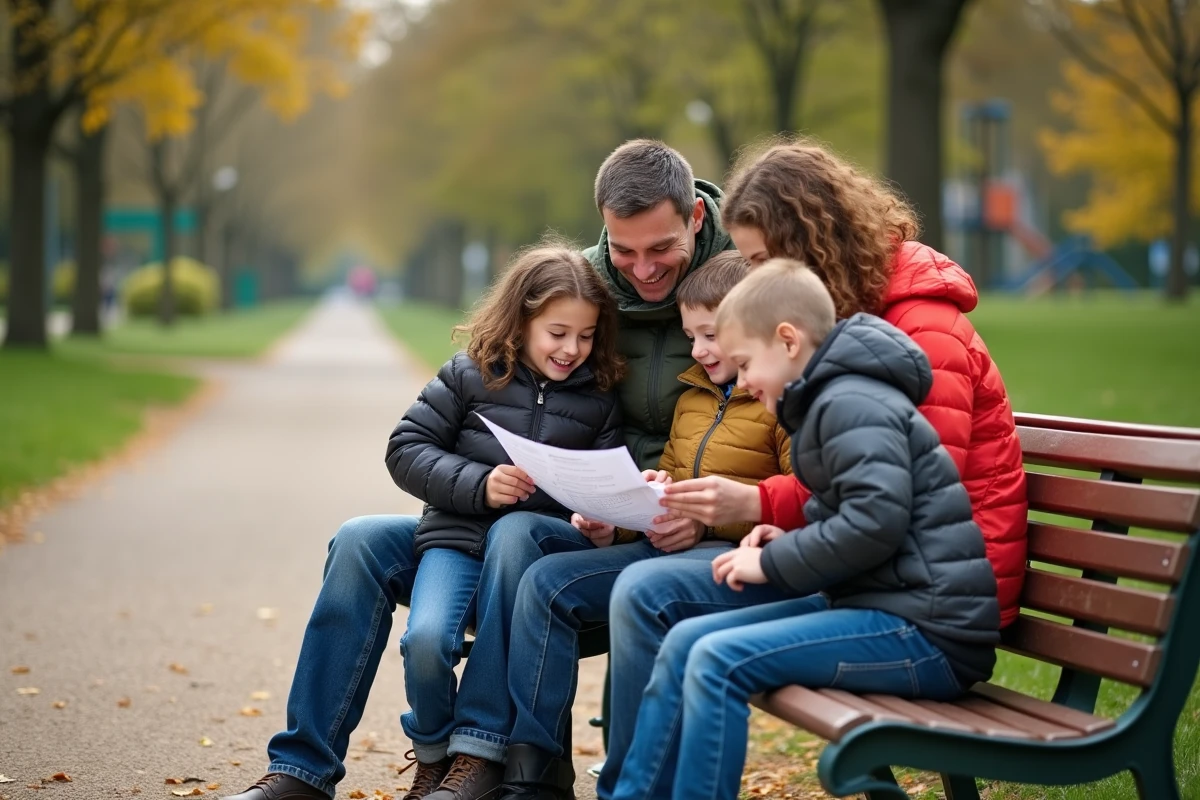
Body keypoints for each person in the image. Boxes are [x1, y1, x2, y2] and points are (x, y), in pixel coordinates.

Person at [596, 140, 1028, 798]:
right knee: (681, 633)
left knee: (707, 651)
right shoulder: (839, 340)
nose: (754, 281)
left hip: (925, 606)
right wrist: (766, 513)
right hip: (879, 583)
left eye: (764, 261)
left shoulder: (911, 331)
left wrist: (773, 539)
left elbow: (889, 509)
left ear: (810, 245)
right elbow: (860, 491)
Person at [224, 245, 625, 800]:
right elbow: (406, 448)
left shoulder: (598, 400)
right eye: (557, 332)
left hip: (530, 563)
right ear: (522, 317)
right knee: (359, 542)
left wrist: (599, 524)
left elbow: (600, 488)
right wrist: (479, 485)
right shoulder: (469, 373)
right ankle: (302, 770)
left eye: (585, 336)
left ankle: (477, 755)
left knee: (512, 536)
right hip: (455, 541)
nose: (571, 349)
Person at [495, 251, 793, 800]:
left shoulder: (779, 399)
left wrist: (703, 527)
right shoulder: (694, 401)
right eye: (691, 337)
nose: (699, 351)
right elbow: (676, 487)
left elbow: (801, 501)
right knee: (546, 584)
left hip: (741, 561)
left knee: (641, 591)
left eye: (711, 335)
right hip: (672, 552)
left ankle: (627, 785)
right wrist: (627, 516)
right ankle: (532, 768)